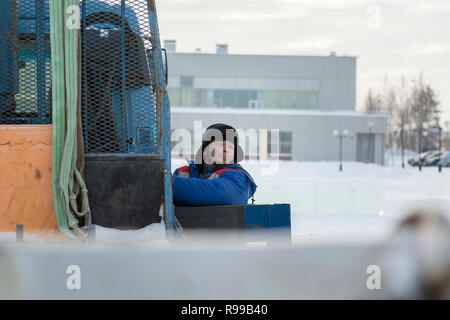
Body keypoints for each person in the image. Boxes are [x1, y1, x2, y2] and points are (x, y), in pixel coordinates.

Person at [172, 123, 257, 206]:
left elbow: (220, 193)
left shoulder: (239, 177)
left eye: (231, 147)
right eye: (220, 144)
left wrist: (167, 183)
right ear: (205, 150)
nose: (226, 150)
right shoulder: (182, 172)